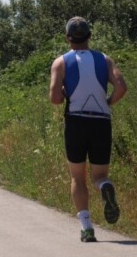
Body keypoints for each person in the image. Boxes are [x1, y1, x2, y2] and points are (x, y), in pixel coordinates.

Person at [49, 16, 127, 242]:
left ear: (67, 38)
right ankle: (105, 185)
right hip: (101, 121)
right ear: (89, 37)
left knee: (77, 176)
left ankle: (86, 227)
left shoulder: (60, 62)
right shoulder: (105, 59)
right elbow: (121, 87)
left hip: (76, 122)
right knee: (99, 175)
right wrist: (108, 102)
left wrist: (65, 94)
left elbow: (54, 98)